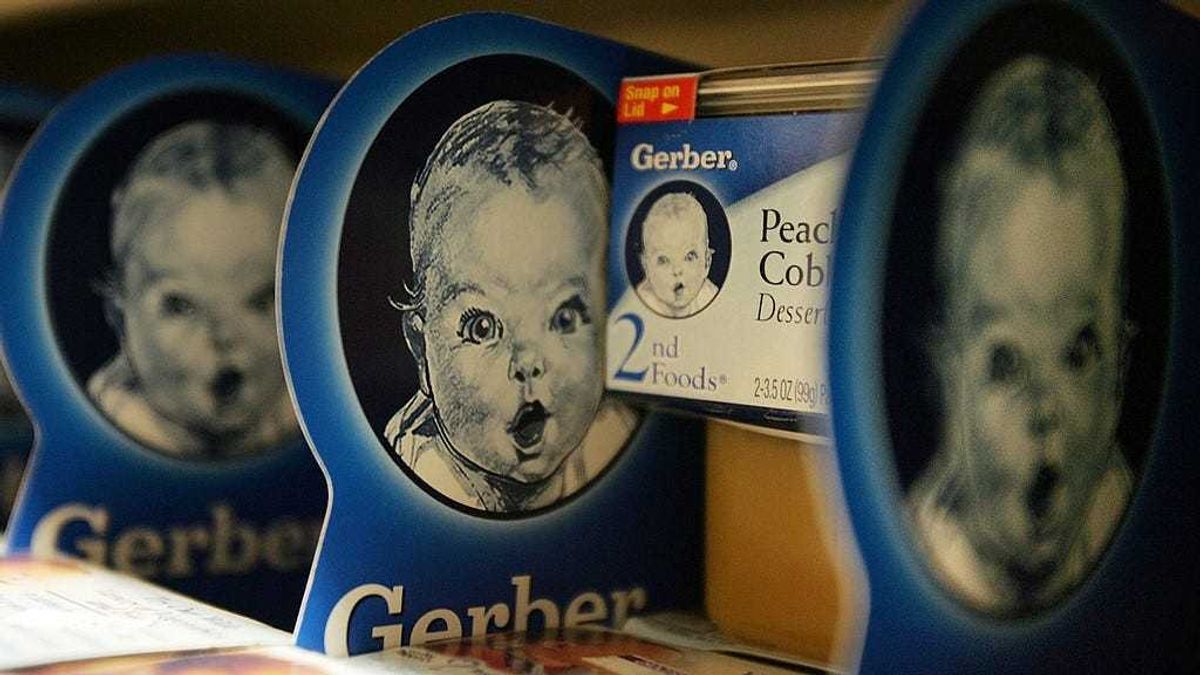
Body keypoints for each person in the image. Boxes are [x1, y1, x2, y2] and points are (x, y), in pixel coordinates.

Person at [907, 55, 1132, 615]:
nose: (1043, 409)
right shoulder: (922, 559)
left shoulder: (1133, 537)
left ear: (1118, 378)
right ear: (948, 379)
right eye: (1005, 362)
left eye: (1077, 353)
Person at [386, 100, 636, 512]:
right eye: (483, 326)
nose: (528, 361)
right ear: (421, 349)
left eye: (563, 318)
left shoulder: (610, 436)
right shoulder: (409, 480)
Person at [89, 121, 298, 459]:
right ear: (119, 314)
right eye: (182, 305)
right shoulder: (105, 426)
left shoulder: (310, 414)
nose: (223, 335)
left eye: (261, 300)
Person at [634, 192, 718, 318]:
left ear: (707, 263)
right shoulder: (640, 305)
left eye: (689, 257)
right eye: (664, 260)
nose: (677, 270)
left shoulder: (708, 296)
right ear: (646, 266)